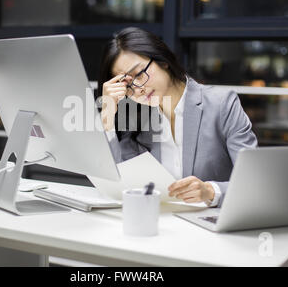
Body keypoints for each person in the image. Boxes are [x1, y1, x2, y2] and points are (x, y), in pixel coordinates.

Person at [98, 27, 257, 207]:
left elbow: (255, 183)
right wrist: (107, 116)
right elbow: (117, 183)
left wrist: (211, 191)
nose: (138, 89)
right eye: (126, 84)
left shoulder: (222, 105)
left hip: (212, 225)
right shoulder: (137, 118)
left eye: (140, 74)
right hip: (160, 224)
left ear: (162, 61)